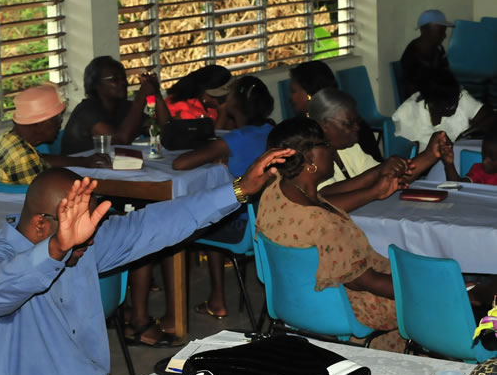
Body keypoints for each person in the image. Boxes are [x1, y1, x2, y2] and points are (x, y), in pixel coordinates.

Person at [0, 149, 293, 375]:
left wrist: (238, 189)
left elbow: (159, 223)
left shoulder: (85, 246)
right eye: (77, 234)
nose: (89, 241)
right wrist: (57, 249)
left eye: (88, 231)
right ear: (40, 225)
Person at [256, 117, 404, 352]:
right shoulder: (324, 224)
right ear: (309, 158)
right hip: (343, 306)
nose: (332, 148)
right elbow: (367, 282)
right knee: (434, 307)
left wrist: (374, 189)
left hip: (298, 304)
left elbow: (324, 198)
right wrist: (422, 289)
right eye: (325, 144)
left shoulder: (273, 193)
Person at [171, 76, 274, 318]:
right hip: (265, 221)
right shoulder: (271, 130)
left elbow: (180, 163)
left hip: (242, 227)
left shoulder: (235, 138)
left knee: (211, 217)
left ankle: (216, 299)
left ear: (233, 104)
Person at [308, 88, 444, 212]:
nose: (356, 127)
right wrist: (379, 173)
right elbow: (322, 198)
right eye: (349, 123)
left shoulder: (350, 149)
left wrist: (430, 155)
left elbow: (387, 180)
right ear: (324, 124)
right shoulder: (308, 156)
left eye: (358, 121)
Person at [0, 85, 110, 185]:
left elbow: (40, 159)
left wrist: (84, 161)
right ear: (39, 123)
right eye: (56, 119)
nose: (60, 123)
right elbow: (42, 198)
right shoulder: (22, 157)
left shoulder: (8, 139)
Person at [61, 56, 169, 154]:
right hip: (79, 172)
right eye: (114, 79)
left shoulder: (124, 107)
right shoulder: (87, 111)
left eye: (124, 78)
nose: (123, 82)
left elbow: (165, 130)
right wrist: (141, 97)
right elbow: (121, 140)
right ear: (96, 85)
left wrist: (156, 94)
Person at [289, 60, 382, 161]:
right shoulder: (303, 131)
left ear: (309, 95)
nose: (291, 98)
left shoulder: (348, 133)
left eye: (294, 91)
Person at [392, 67, 494, 151]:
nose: (455, 107)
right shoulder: (407, 113)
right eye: (449, 105)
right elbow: (405, 155)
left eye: (456, 101)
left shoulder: (460, 97)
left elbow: (491, 117)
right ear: (431, 101)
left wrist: (465, 135)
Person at [399, 9, 454, 100]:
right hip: (421, 103)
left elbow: (446, 76)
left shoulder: (439, 50)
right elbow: (411, 91)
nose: (444, 35)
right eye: (440, 31)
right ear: (425, 30)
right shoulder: (411, 54)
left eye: (444, 31)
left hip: (438, 98)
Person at [164, 64, 234, 128]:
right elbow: (210, 140)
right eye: (221, 97)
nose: (225, 100)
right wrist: (223, 113)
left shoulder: (208, 105)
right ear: (205, 94)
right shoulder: (182, 109)